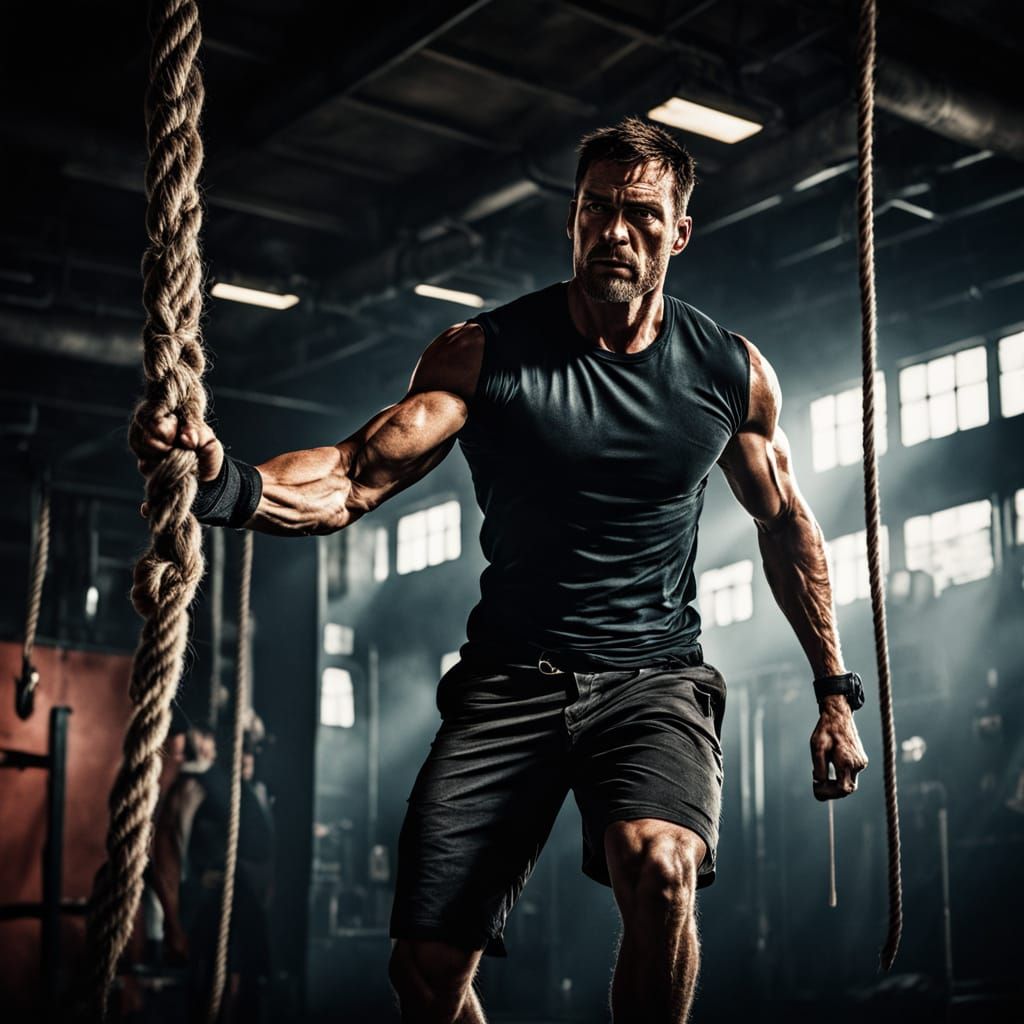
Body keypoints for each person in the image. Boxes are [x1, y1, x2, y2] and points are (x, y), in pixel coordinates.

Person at [132, 117, 870, 1023]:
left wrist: (834, 691)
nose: (614, 232)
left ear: (679, 232)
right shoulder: (485, 354)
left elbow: (787, 522)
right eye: (595, 209)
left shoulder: (728, 371)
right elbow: (354, 476)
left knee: (662, 869)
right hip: (510, 680)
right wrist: (221, 480)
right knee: (427, 975)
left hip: (652, 678)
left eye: (640, 215)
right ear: (571, 218)